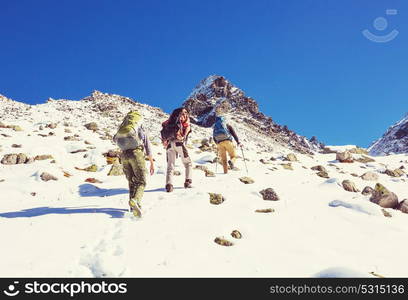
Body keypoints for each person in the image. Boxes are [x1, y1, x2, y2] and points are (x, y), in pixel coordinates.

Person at [113, 110, 154, 217]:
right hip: (136, 153)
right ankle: (136, 201)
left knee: (131, 182)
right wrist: (151, 162)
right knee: (141, 182)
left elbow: (115, 139)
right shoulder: (139, 126)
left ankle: (133, 208)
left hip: (124, 155)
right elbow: (147, 144)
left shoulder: (123, 126)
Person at [161, 107, 192, 192]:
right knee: (188, 163)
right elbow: (185, 134)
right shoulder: (184, 121)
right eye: (184, 113)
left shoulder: (169, 122)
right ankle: (188, 181)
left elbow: (163, 134)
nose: (185, 114)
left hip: (169, 145)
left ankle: (169, 185)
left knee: (170, 166)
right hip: (179, 144)